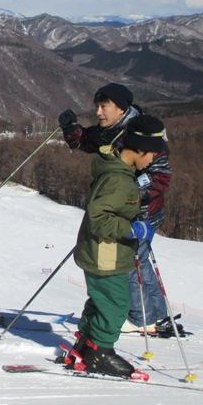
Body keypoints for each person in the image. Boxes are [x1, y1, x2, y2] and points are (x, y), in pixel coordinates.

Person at [58, 83, 174, 335]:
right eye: (96, 106)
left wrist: (127, 194)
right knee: (140, 261)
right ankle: (156, 315)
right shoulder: (108, 129)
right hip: (124, 209)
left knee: (129, 263)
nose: (98, 112)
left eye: (104, 106)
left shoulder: (144, 132)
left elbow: (161, 177)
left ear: (121, 108)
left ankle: (140, 318)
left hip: (139, 213)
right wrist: (70, 129)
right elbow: (85, 140)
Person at [62, 115, 167, 377]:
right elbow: (100, 217)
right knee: (117, 304)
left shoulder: (118, 170)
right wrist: (132, 229)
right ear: (139, 149)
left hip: (102, 251)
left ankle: (86, 346)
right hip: (106, 254)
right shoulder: (118, 180)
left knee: (101, 302)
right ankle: (100, 352)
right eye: (152, 154)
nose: (153, 160)